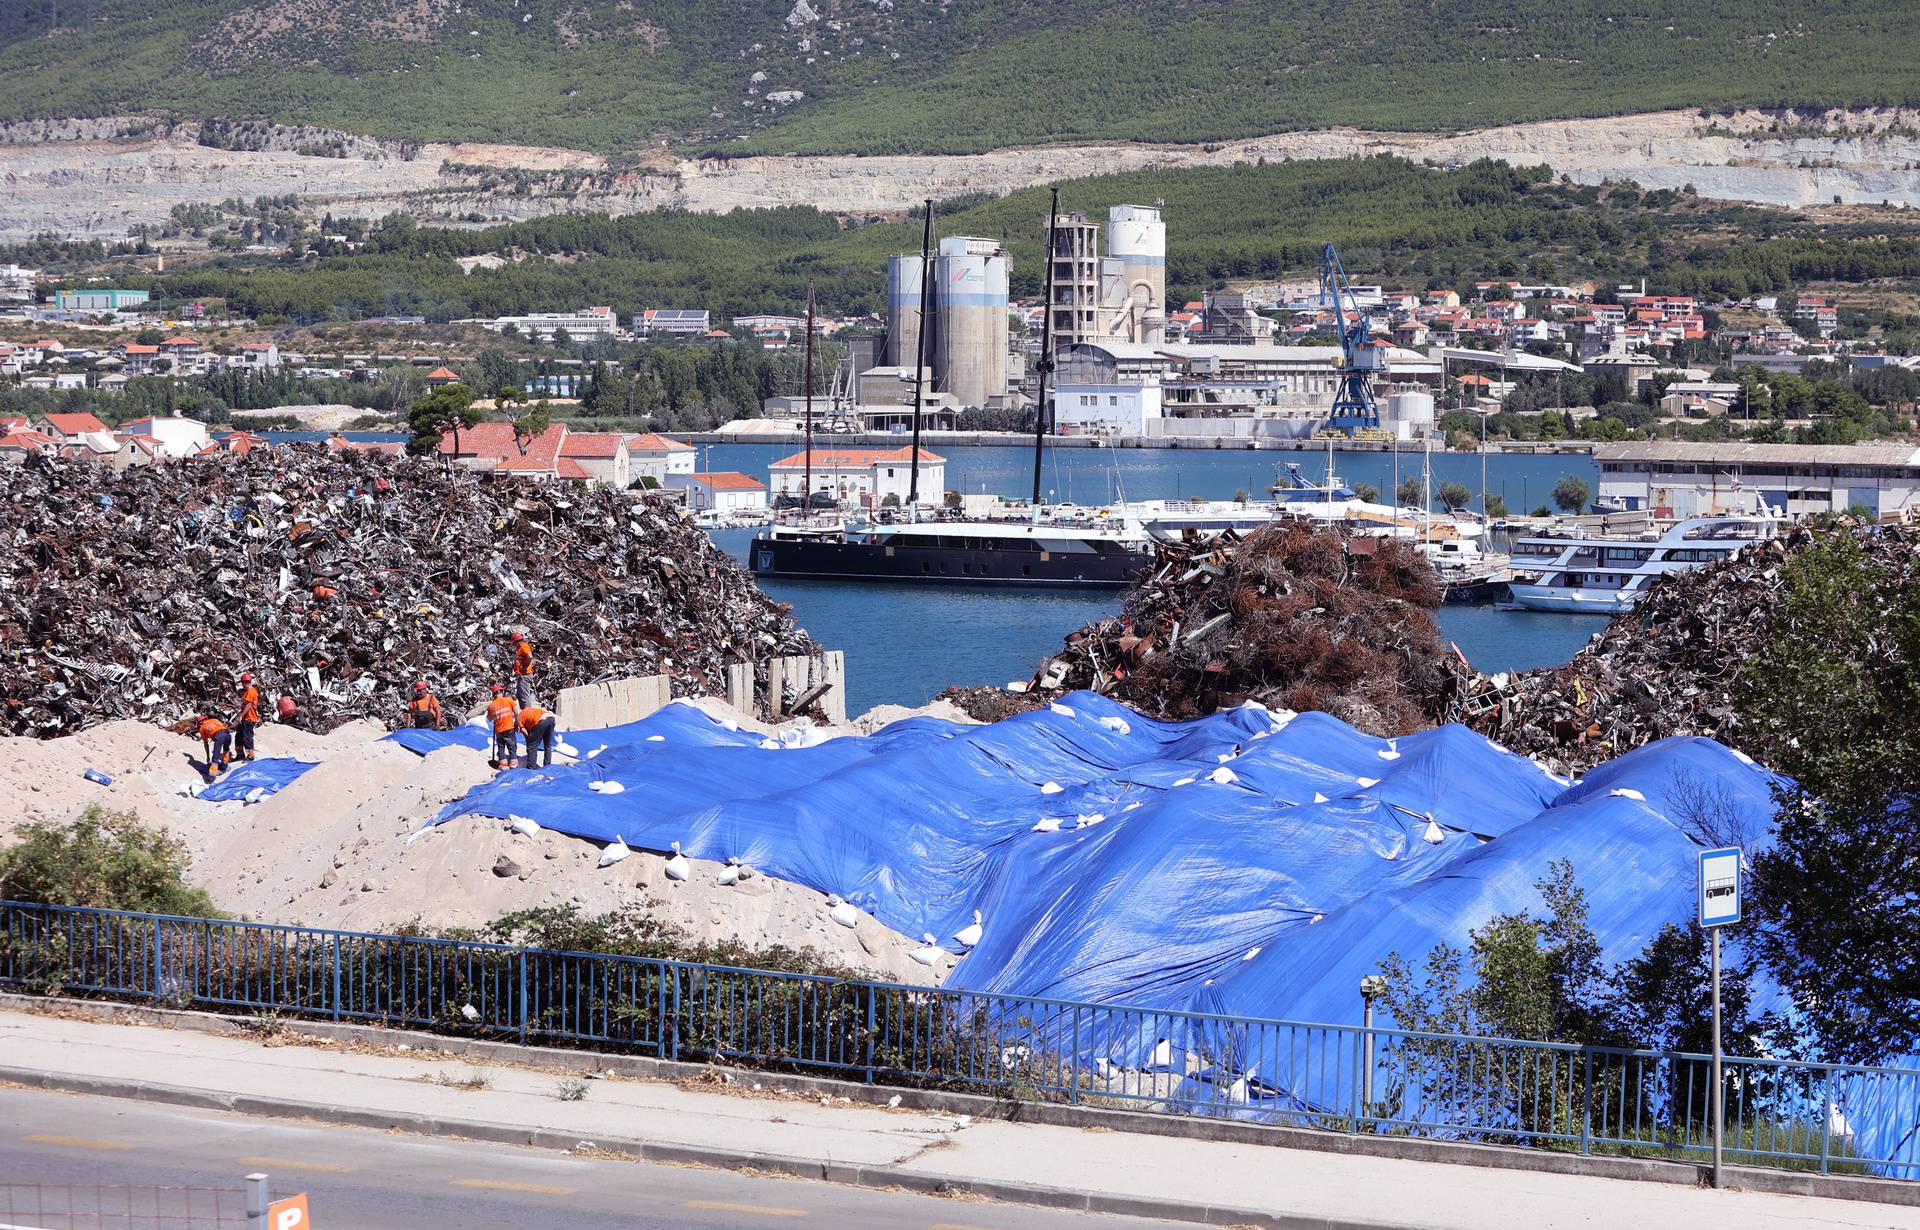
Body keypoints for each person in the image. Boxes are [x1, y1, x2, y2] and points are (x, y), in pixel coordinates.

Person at [484, 684, 518, 769]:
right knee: (512, 745)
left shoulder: (491, 705)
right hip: (509, 727)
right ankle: (513, 763)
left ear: (494, 694)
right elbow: (516, 713)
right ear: (502, 692)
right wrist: (517, 723)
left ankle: (503, 765)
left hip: (499, 729)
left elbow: (489, 718)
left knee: (501, 746)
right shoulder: (509, 700)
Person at [517, 703, 556, 769]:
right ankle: (547, 766)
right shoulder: (529, 711)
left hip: (540, 721)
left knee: (532, 746)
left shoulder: (518, 719)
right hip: (551, 719)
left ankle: (531, 767)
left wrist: (529, 744)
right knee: (548, 745)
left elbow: (525, 733)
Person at [234, 673, 260, 762]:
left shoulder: (250, 692)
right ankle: (240, 754)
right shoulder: (251, 691)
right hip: (245, 718)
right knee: (239, 736)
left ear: (244, 683)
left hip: (249, 718)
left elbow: (248, 706)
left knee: (247, 737)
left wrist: (241, 716)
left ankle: (250, 756)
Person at [197, 713, 232, 777]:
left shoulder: (202, 728)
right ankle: (224, 768)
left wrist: (208, 757)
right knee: (226, 751)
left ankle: (211, 776)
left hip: (219, 736)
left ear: (199, 724)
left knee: (215, 757)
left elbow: (206, 744)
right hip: (228, 735)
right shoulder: (215, 720)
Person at [510, 632, 535, 705]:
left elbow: (529, 657)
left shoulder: (524, 646)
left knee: (524, 695)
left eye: (514, 643)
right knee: (520, 695)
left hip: (524, 675)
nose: (514, 645)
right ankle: (524, 711)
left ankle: (528, 713)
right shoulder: (519, 648)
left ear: (517, 641)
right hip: (521, 676)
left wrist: (524, 666)